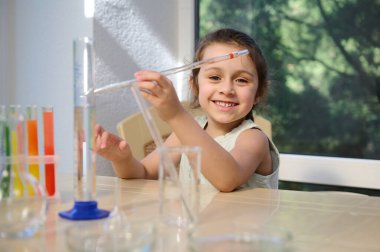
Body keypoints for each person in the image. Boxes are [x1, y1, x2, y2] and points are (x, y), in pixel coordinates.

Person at [94, 28, 279, 192]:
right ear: (195, 85)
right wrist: (122, 159)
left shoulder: (253, 139)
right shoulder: (185, 133)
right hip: (197, 230)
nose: (227, 89)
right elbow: (143, 173)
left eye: (242, 80)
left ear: (259, 93)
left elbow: (227, 180)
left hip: (242, 232)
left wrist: (176, 114)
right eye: (215, 77)